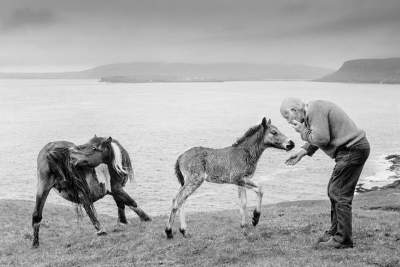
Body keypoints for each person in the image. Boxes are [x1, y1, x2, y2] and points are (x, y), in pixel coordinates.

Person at [280, 97, 370, 249]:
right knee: (334, 191)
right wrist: (303, 152)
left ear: (295, 110)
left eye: (287, 116)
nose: (288, 121)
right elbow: (317, 135)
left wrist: (302, 131)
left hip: (351, 149)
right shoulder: (311, 112)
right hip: (353, 149)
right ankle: (336, 232)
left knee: (338, 192)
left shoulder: (315, 109)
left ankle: (343, 240)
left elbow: (321, 138)